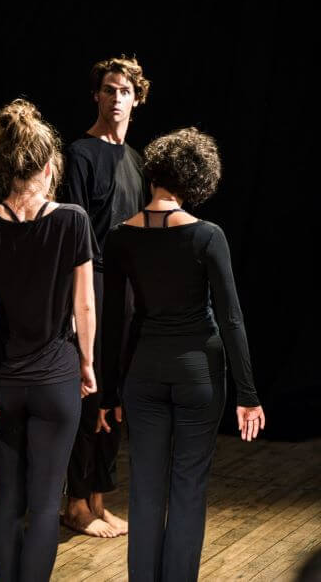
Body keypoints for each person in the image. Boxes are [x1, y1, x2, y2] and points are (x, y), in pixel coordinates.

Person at [98, 127, 266, 581]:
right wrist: (248, 394)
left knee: (146, 488)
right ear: (196, 179)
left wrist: (108, 394)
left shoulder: (119, 237)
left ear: (152, 173)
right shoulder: (207, 235)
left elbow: (114, 321)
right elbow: (231, 318)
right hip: (199, 376)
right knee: (189, 486)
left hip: (143, 374)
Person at [0, 98, 98, 581]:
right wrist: (87, 364)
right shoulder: (73, 220)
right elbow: (85, 306)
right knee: (43, 507)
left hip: (3, 385)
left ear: (5, 165)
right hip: (57, 380)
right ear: (48, 166)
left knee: (8, 503)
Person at [61, 55, 150, 537]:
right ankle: (75, 502)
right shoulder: (80, 154)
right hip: (89, 282)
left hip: (127, 288)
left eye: (125, 91)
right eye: (109, 90)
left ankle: (98, 499)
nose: (116, 98)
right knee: (88, 390)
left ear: (137, 100)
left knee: (117, 394)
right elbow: (72, 234)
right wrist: (76, 305)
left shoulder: (136, 161)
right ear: (96, 95)